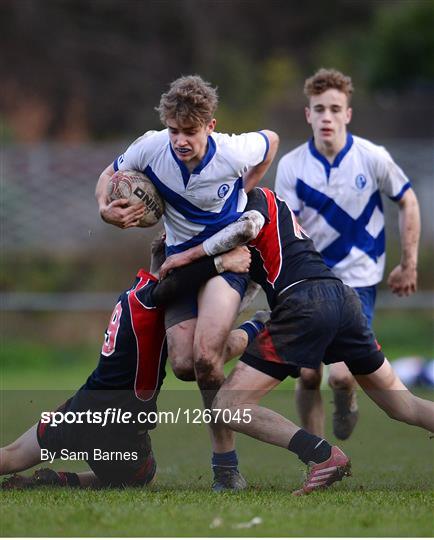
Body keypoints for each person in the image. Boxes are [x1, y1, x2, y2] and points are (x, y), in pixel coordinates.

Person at [160, 186, 433, 495]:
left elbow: (226, 255)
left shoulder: (247, 206)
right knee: (403, 404)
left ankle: (322, 455)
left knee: (228, 405)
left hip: (304, 304)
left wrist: (177, 255)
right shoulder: (273, 202)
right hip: (342, 298)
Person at [95, 75, 279, 490]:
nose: (180, 140)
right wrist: (105, 209)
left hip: (225, 260)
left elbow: (271, 140)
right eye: (174, 130)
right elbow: (109, 173)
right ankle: (257, 329)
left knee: (206, 359)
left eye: (190, 132)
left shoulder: (231, 151)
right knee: (183, 365)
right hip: (178, 265)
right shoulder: (151, 146)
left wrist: (246, 192)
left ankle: (225, 467)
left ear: (210, 126)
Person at [0, 247, 254, 489]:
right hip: (116, 427)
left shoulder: (135, 290)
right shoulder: (155, 301)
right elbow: (203, 338)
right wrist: (223, 265)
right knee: (142, 477)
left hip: (79, 408)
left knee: (12, 455)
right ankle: (69, 480)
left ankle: (55, 481)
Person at [274, 68, 421, 440]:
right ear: (308, 114)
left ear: (348, 114)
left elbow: (408, 200)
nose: (327, 117)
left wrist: (409, 263)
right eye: (319, 109)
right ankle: (317, 456)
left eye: (335, 109)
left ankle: (346, 400)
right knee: (308, 375)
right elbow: (286, 231)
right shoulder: (292, 166)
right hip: (311, 282)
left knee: (339, 375)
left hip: (358, 282)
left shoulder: (372, 157)